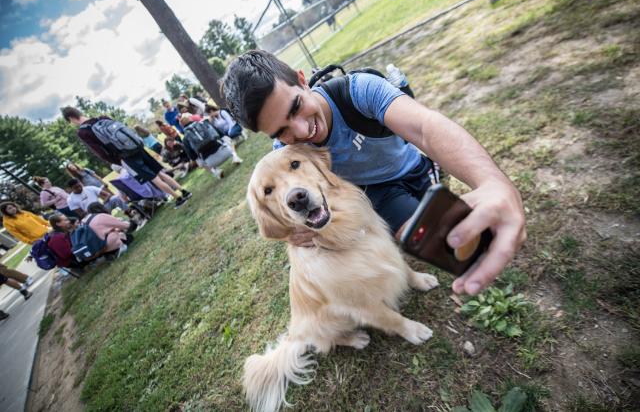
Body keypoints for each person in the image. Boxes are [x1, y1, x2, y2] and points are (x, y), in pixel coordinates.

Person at [221, 50, 526, 296]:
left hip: (414, 166)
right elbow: (279, 202)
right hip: (379, 192)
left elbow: (425, 127)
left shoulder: (358, 90)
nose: (302, 131)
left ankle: (432, 187)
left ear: (302, 80)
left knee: (465, 225)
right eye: (281, 131)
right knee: (432, 240)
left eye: (296, 107)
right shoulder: (286, 157)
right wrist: (297, 229)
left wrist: (493, 182)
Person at [62, 107, 192, 209]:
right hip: (136, 147)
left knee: (153, 178)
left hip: (125, 156)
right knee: (159, 172)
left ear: (71, 118)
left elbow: (100, 152)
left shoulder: (83, 132)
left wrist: (118, 161)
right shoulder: (101, 118)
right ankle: (184, 191)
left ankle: (178, 198)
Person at [181, 113, 241, 179]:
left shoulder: (185, 139)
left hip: (210, 162)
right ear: (190, 119)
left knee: (197, 160)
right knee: (226, 138)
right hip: (226, 152)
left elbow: (192, 156)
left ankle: (216, 171)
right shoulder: (204, 123)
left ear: (182, 125)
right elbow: (220, 134)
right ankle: (235, 157)